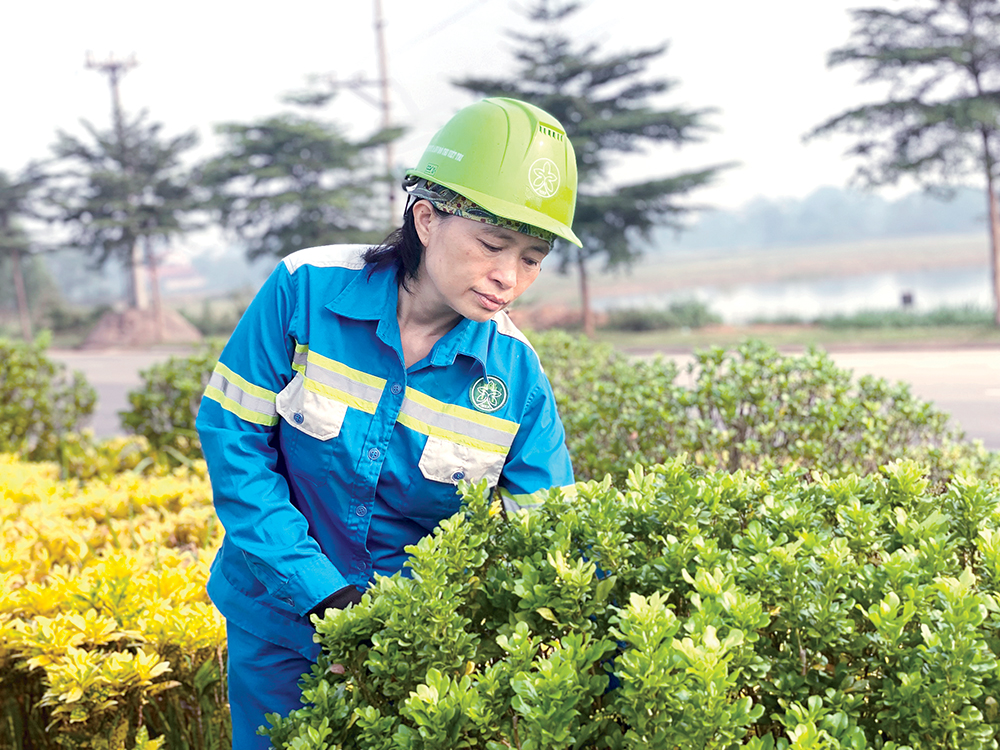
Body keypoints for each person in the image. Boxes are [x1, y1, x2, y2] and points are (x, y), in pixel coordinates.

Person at [195, 97, 581, 749]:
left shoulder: (516, 382)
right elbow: (234, 443)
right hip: (276, 620)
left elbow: (552, 541)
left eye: (532, 258)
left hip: (408, 654)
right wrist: (324, 597)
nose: (508, 278)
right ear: (427, 219)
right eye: (491, 245)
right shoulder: (303, 291)